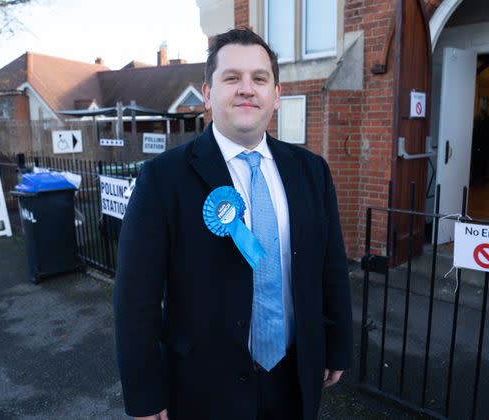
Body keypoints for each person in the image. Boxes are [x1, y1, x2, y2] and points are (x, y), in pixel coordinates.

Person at [113, 29, 353, 420]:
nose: (247, 89)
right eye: (232, 78)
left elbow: (332, 266)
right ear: (208, 94)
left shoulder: (312, 171)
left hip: (295, 375)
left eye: (259, 78)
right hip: (203, 386)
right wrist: (144, 392)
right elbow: (135, 297)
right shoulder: (162, 179)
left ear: (275, 96)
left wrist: (338, 344)